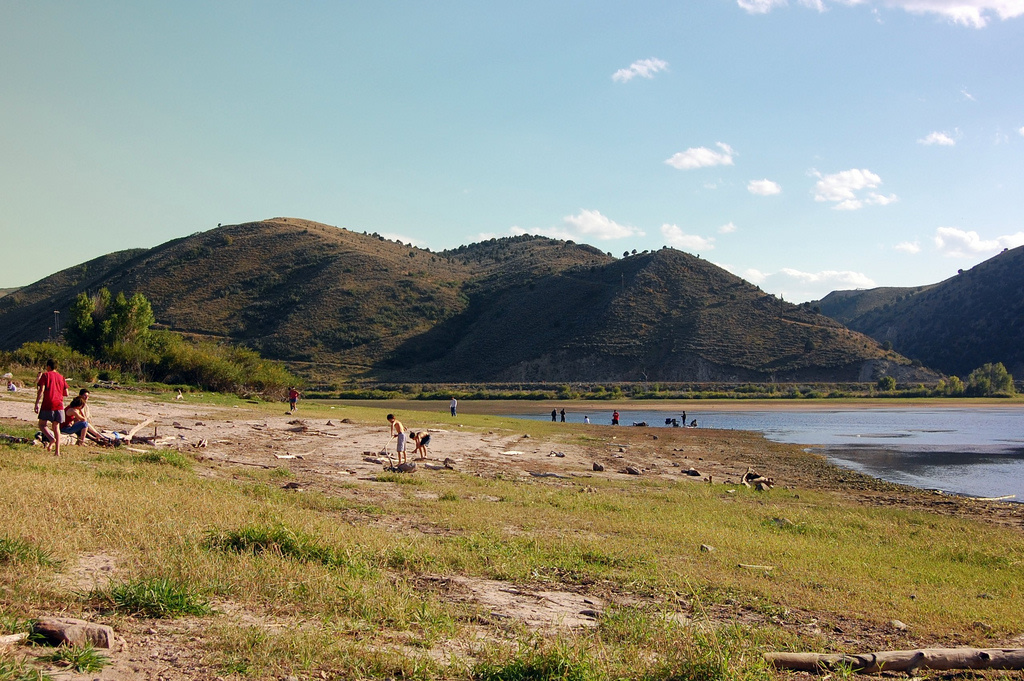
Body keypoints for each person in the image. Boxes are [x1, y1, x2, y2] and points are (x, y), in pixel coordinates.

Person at [35, 359, 68, 456]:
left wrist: (36, 403)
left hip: (48, 403)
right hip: (59, 404)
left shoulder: (46, 375)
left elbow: (41, 390)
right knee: (56, 427)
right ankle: (57, 451)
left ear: (48, 366)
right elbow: (66, 393)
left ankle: (51, 439)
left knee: (42, 424)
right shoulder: (61, 377)